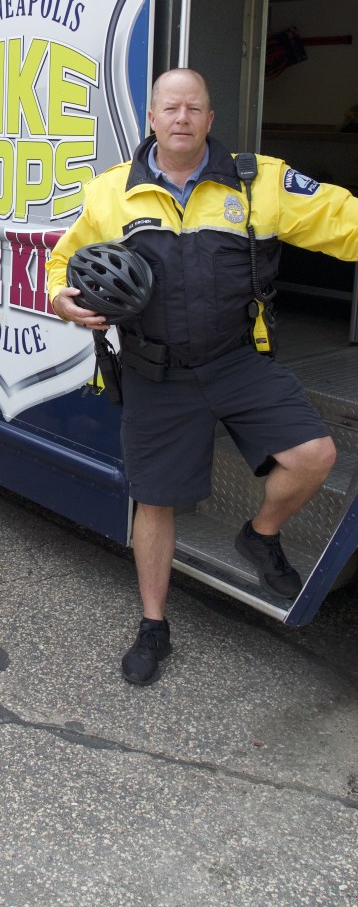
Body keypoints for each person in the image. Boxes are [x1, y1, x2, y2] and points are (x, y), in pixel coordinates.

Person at [47, 68, 358, 686]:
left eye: (195, 108)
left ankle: (260, 534)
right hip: (155, 370)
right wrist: (61, 297)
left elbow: (344, 219)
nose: (183, 118)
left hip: (238, 360)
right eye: (172, 107)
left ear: (211, 119)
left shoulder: (260, 180)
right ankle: (153, 624)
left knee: (315, 455)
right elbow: (65, 260)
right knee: (155, 501)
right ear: (154, 119)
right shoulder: (113, 194)